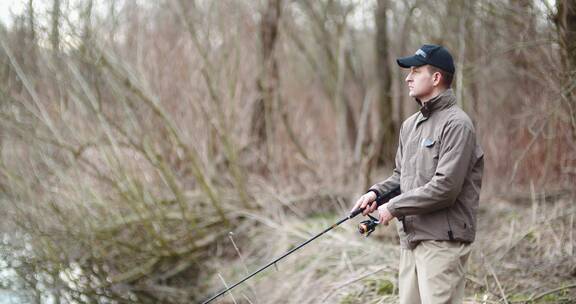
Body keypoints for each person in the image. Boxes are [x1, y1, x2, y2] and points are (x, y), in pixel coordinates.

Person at [351, 44, 484, 304]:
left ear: (436, 78)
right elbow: (402, 177)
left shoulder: (457, 125)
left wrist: (394, 207)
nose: (407, 77)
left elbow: (445, 188)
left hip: (442, 244)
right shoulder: (409, 126)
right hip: (410, 242)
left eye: (415, 70)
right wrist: (375, 193)